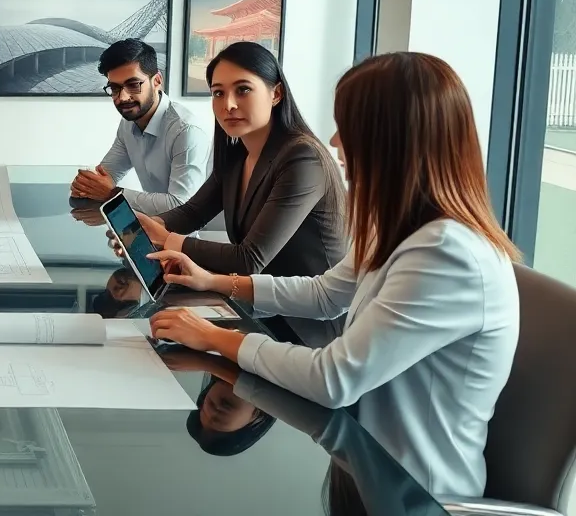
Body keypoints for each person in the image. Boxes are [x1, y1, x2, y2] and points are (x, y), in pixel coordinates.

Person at [148, 52, 521, 498]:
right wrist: (213, 283)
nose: (335, 139)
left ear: (396, 140)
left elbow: (333, 380)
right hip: (360, 463)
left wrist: (214, 338)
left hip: (415, 493)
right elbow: (326, 294)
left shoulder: (447, 254)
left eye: (350, 126)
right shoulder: (402, 230)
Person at [133, 41, 346, 279]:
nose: (228, 105)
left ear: (276, 94)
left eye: (243, 90)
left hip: (303, 312)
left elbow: (249, 259)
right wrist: (148, 226)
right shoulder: (237, 153)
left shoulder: (303, 158)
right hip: (257, 300)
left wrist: (166, 239)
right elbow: (194, 213)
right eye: (218, 93)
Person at [70, 39, 210, 212]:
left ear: (157, 80)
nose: (122, 97)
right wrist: (87, 185)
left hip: (186, 234)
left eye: (133, 85)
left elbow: (181, 205)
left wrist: (112, 194)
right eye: (114, 88)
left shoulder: (186, 130)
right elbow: (105, 177)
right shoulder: (128, 124)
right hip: (149, 225)